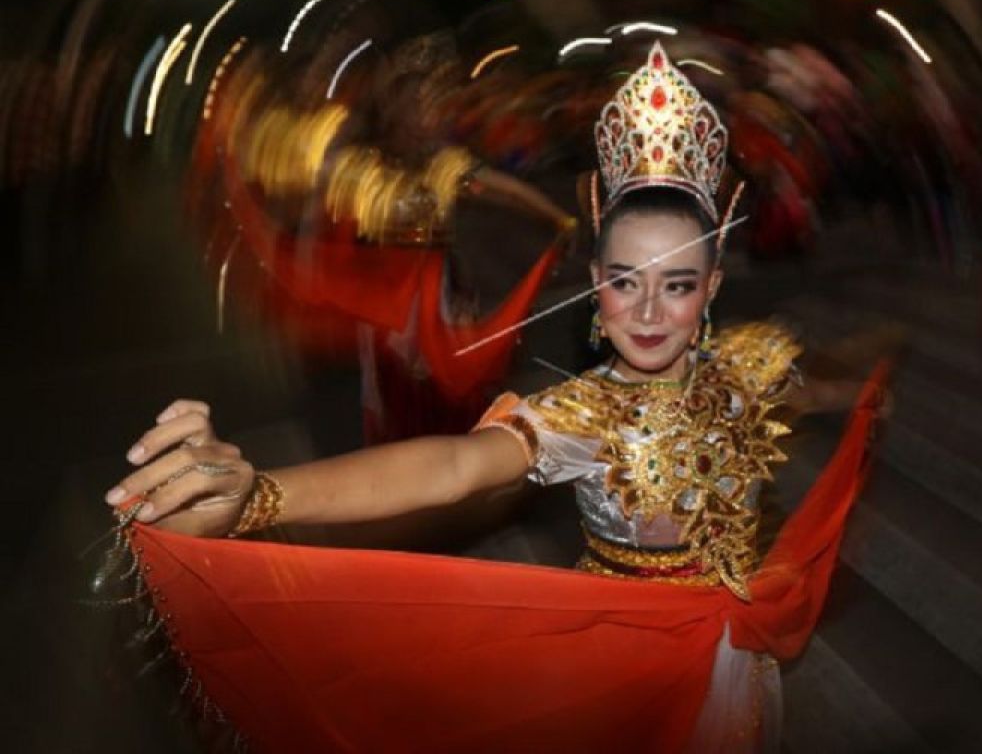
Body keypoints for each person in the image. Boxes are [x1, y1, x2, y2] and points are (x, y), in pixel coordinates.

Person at [99, 42, 889, 753]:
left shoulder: (750, 361)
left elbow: (809, 376)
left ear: (712, 287)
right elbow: (453, 467)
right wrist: (263, 497)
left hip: (737, 659)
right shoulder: (586, 413)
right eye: (625, 282)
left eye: (677, 286)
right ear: (595, 287)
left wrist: (866, 382)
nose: (649, 313)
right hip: (622, 653)